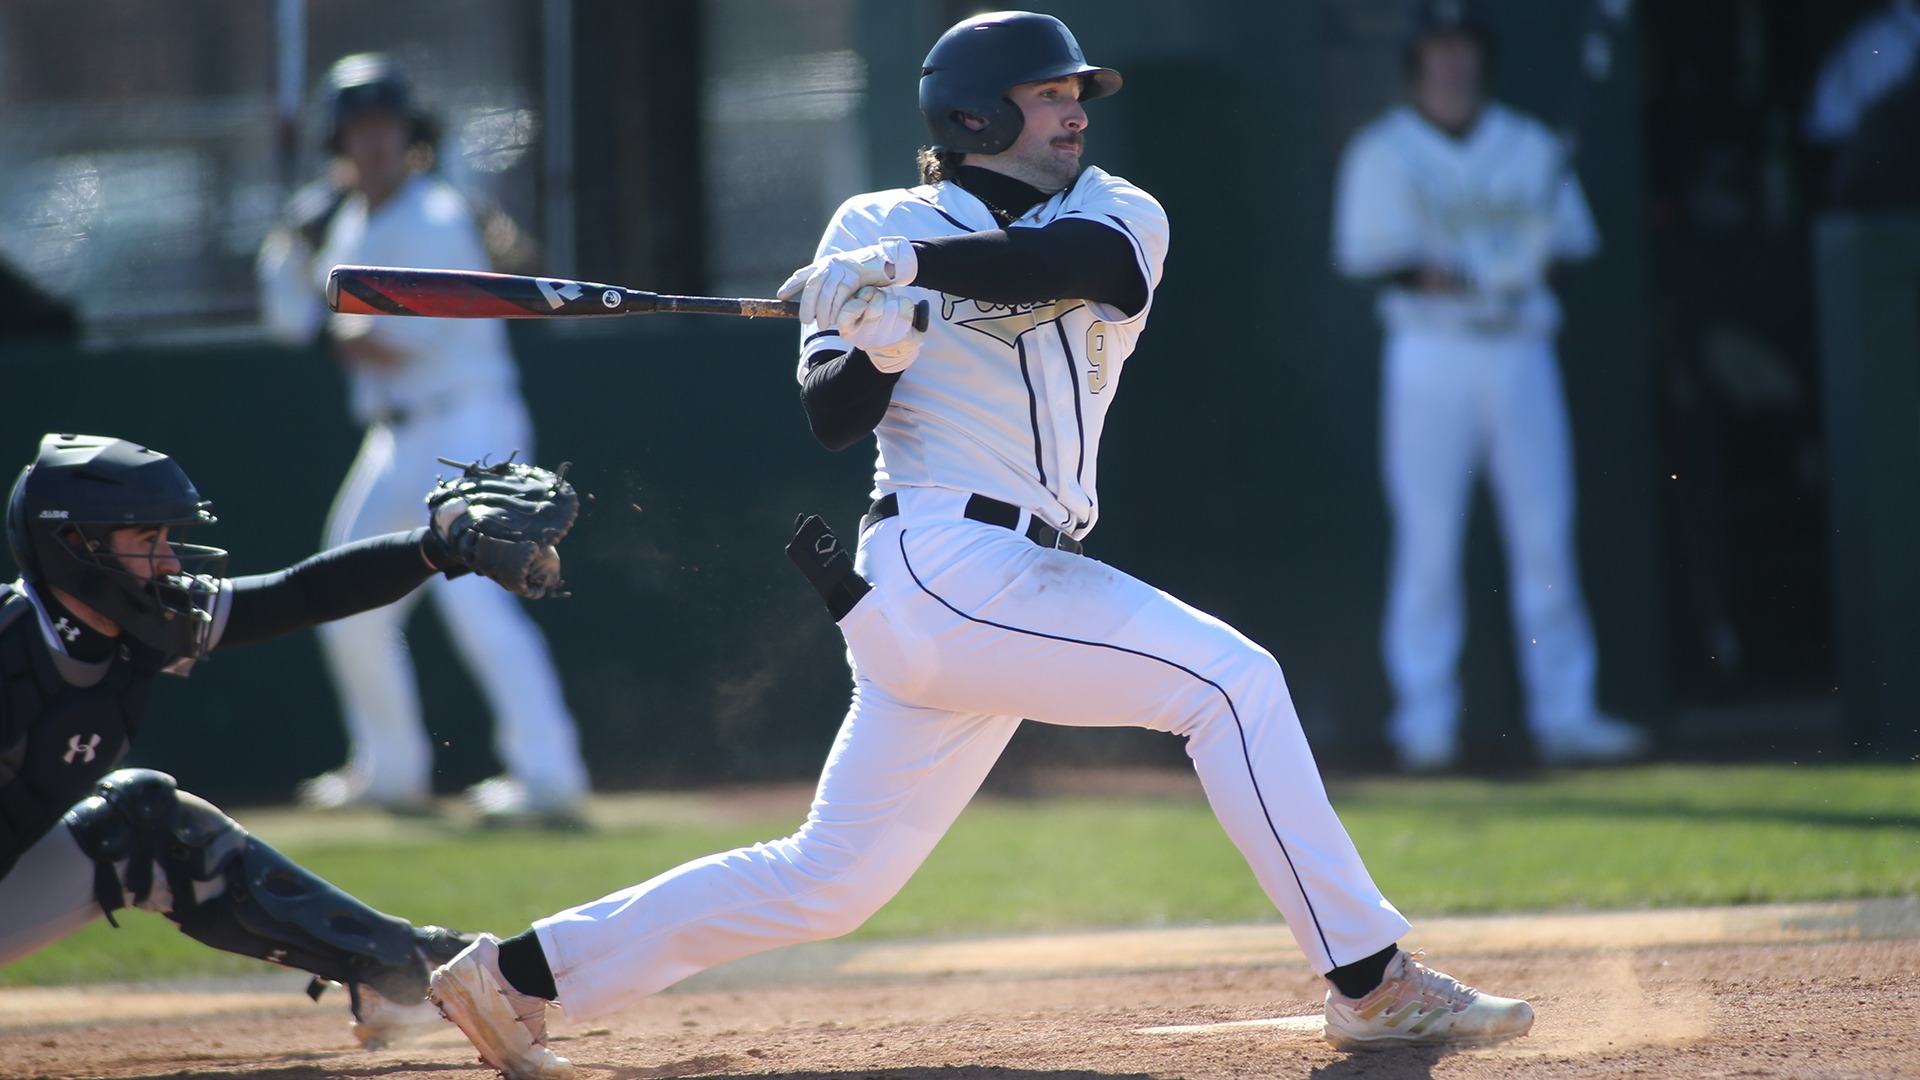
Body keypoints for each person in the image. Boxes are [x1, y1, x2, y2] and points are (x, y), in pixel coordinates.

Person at [421, 14, 1535, 1078]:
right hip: (943, 565)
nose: (1072, 112)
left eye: (1073, 92)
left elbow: (1075, 265)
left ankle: (515, 976)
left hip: (1003, 584)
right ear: (972, 119)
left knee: (829, 883)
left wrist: (910, 278)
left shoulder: (1115, 209)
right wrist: (879, 350)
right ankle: (1370, 980)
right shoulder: (866, 222)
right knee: (1234, 686)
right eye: (1045, 95)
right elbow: (832, 415)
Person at [0, 432, 549, 1047]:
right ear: (74, 544)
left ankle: (398, 972)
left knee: (149, 823)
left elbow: (302, 593)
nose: (172, 561)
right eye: (147, 541)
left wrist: (435, 549)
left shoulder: (138, 626)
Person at [255, 53, 589, 824]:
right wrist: (290, 243)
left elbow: (390, 340)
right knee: (342, 593)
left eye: (386, 127)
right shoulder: (345, 217)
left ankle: (551, 777)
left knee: (482, 603)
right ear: (339, 141)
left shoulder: (435, 214)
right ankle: (390, 768)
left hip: (467, 422)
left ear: (412, 134)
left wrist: (317, 302)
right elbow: (285, 321)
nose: (373, 144)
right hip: (394, 433)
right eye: (358, 129)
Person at [1330, 0, 1648, 773]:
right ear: (1418, 60)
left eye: (1464, 47)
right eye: (1439, 48)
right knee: (1427, 542)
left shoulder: (1530, 144)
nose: (1453, 61)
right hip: (1430, 352)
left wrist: (1531, 261)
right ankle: (1425, 722)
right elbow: (1376, 257)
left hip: (1520, 350)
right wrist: (1476, 271)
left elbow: (1570, 247)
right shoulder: (1384, 150)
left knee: (1545, 537)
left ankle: (1566, 715)